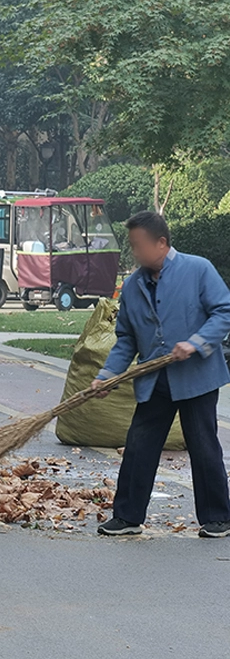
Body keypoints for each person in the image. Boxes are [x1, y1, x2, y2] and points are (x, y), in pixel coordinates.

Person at [93, 211, 230, 538]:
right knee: (139, 445)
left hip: (196, 377)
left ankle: (218, 518)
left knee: (203, 444)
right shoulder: (133, 285)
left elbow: (224, 312)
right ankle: (127, 517)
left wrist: (195, 343)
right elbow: (126, 337)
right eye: (132, 246)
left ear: (162, 243)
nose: (135, 252)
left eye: (139, 246)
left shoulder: (197, 270)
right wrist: (108, 374)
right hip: (155, 379)